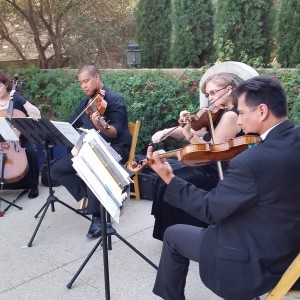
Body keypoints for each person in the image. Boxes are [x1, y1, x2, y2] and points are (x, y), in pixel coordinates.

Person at [147, 76, 300, 300]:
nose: (238, 122)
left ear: (262, 111)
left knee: (173, 234)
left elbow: (210, 210)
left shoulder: (251, 161)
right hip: (290, 245)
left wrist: (170, 178)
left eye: (242, 113)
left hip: (262, 259)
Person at [151, 72, 244, 241]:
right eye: (208, 95)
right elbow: (195, 129)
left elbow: (213, 151)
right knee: (163, 173)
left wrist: (188, 135)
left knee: (170, 180)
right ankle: (170, 228)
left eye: (213, 93)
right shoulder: (218, 112)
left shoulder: (232, 115)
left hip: (217, 170)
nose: (210, 98)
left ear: (229, 90)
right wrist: (167, 132)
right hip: (205, 163)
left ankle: (180, 231)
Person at [51, 64, 132, 238]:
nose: (83, 86)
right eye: (80, 83)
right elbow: (71, 123)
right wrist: (54, 135)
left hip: (115, 148)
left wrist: (100, 126)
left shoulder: (114, 100)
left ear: (97, 77)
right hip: (90, 147)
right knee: (57, 170)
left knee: (94, 167)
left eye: (86, 81)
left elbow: (115, 132)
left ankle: (98, 218)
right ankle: (92, 195)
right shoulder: (87, 102)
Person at [0, 71, 41, 199]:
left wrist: (22, 100)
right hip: (1, 139)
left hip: (20, 139)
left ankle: (33, 185)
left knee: (30, 151)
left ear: (6, 84)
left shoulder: (15, 99)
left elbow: (37, 114)